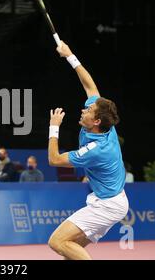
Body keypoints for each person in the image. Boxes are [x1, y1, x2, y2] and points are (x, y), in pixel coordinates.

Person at [47, 41, 128, 260]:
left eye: (89, 110)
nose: (84, 109)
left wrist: (54, 127)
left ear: (96, 121)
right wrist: (70, 55)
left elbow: (54, 160)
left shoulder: (97, 149)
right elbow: (90, 86)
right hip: (112, 200)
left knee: (57, 241)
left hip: (107, 205)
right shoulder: (105, 127)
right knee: (71, 251)